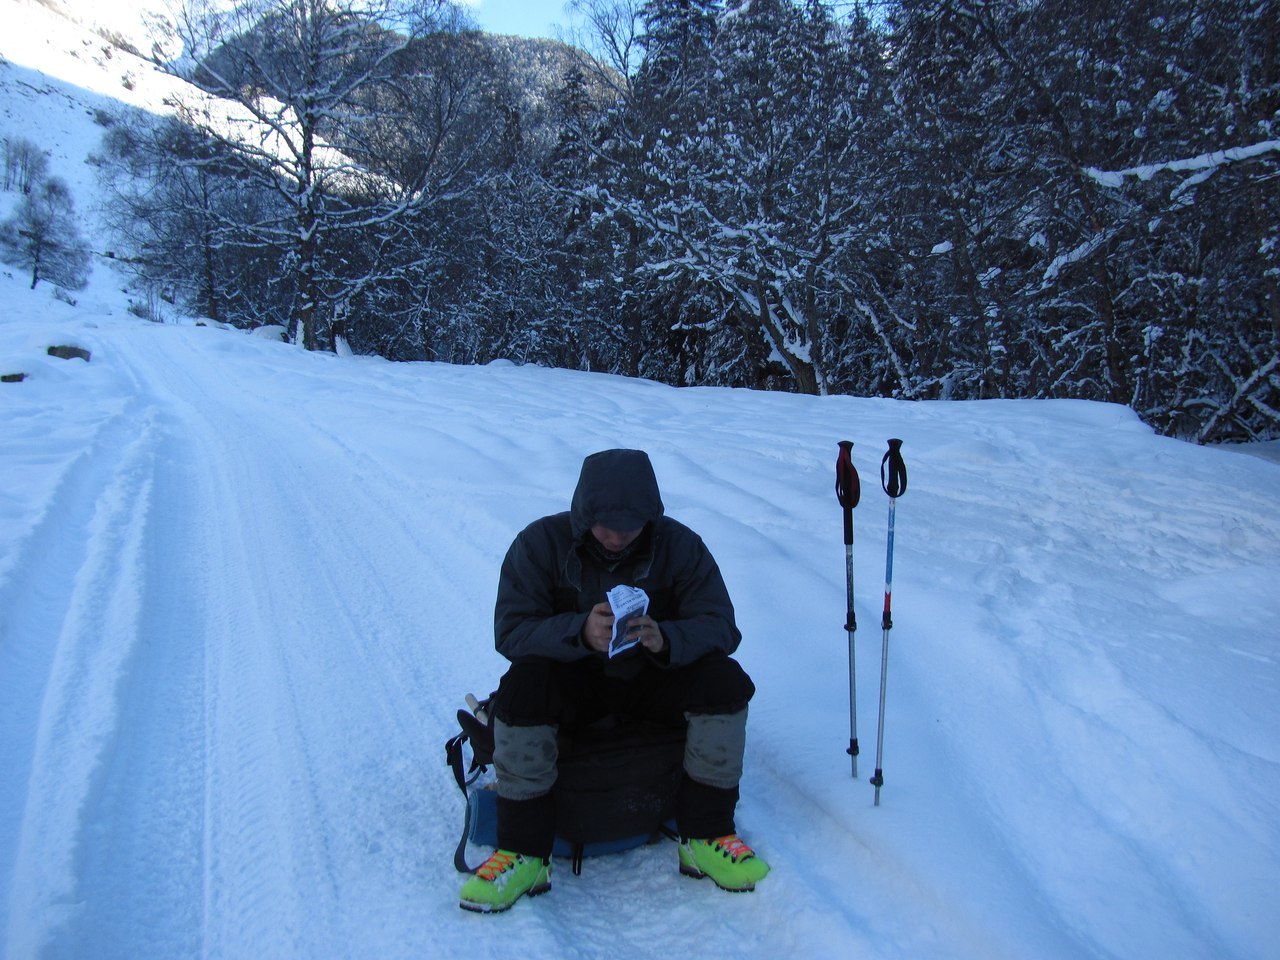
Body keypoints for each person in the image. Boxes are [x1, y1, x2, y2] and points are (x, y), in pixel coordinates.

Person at [459, 448, 769, 913]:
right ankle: (524, 852)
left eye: (632, 525)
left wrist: (668, 639)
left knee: (723, 681)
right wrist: (579, 632)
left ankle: (705, 837)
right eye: (607, 524)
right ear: (584, 511)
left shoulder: (680, 546)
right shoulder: (540, 543)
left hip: (650, 682)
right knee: (524, 685)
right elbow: (511, 631)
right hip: (574, 684)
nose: (619, 536)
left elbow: (722, 625)